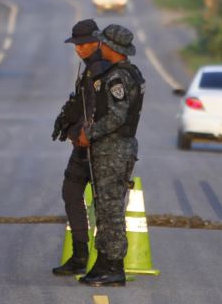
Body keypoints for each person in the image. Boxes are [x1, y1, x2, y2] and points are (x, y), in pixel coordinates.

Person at [75, 24, 144, 287]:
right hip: (112, 149)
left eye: (102, 43)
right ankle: (103, 263)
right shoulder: (127, 73)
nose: (99, 47)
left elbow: (117, 116)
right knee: (104, 208)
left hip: (114, 149)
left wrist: (88, 134)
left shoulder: (118, 78)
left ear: (112, 48)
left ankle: (114, 267)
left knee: (111, 210)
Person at [51, 19, 110, 276]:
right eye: (76, 44)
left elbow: (103, 112)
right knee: (71, 191)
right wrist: (67, 125)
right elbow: (81, 104)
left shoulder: (107, 69)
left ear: (97, 41)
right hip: (82, 146)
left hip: (101, 148)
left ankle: (105, 262)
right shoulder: (88, 68)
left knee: (105, 205)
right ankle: (79, 254)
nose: (79, 49)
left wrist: (84, 132)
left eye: (84, 44)